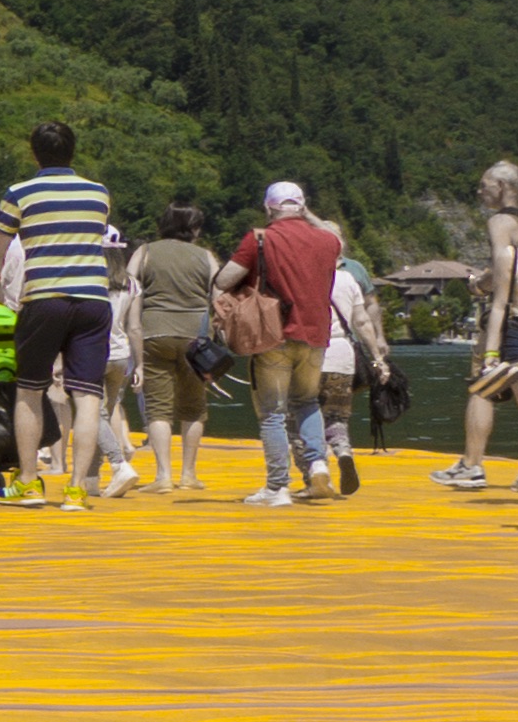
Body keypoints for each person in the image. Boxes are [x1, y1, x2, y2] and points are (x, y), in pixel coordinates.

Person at [0, 116, 121, 505]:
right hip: (93, 300)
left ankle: (30, 482)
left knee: (30, 391)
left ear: (34, 153)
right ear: (73, 151)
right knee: (87, 396)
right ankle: (76, 489)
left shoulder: (19, 193)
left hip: (44, 299)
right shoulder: (99, 193)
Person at [217, 179, 344, 503]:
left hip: (274, 334)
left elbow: (224, 279)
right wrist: (308, 214)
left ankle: (277, 486)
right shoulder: (328, 242)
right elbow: (338, 240)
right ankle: (318, 467)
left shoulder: (260, 239)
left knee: (273, 412)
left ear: (268, 208)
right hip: (316, 335)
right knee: (307, 402)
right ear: (302, 207)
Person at [449, 164, 518, 505]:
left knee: (482, 388)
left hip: (510, 315)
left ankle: (472, 464)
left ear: (501, 185)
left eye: (484, 186)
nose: (480, 193)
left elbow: (500, 272)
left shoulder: (501, 222)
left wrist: (477, 285)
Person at [130, 194, 221, 497]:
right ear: (194, 228)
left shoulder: (145, 252)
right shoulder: (205, 256)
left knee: (158, 409)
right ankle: (189, 474)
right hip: (196, 338)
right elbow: (218, 295)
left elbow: (130, 289)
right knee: (194, 407)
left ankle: (163, 476)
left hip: (154, 333)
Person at [313, 229, 389, 500]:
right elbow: (362, 322)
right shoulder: (348, 280)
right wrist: (378, 359)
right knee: (337, 415)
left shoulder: (307, 277)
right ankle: (343, 451)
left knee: (305, 414)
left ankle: (317, 471)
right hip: (343, 354)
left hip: (312, 353)